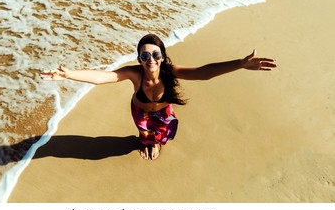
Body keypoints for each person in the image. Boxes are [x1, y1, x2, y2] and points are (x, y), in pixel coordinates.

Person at [41, 34, 277, 160]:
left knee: (161, 135)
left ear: (162, 57)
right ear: (139, 59)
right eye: (145, 55)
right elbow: (104, 77)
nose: (150, 59)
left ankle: (156, 143)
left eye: (155, 54)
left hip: (163, 112)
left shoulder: (170, 72)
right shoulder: (134, 75)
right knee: (145, 135)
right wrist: (69, 74)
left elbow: (204, 73)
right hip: (140, 112)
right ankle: (147, 144)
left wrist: (240, 64)